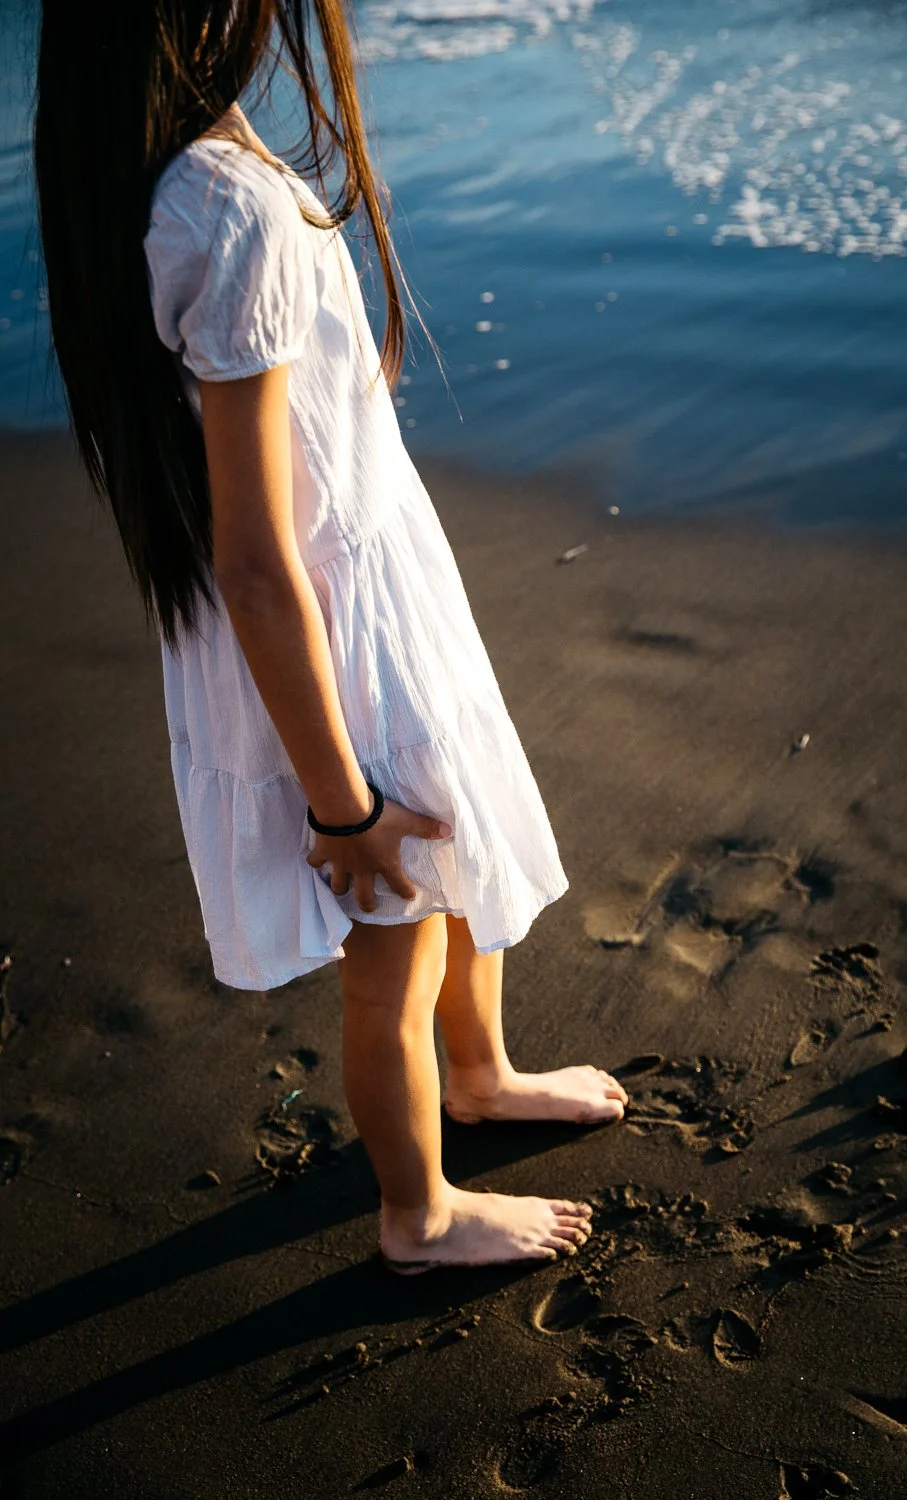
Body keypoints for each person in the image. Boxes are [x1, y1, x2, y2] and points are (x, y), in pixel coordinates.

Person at [34, 0, 628, 1272]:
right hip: (321, 625)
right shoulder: (224, 207)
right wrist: (339, 803)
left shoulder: (158, 166)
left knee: (455, 845)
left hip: (367, 585)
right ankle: (419, 1211)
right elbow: (254, 560)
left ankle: (479, 1073)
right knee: (393, 927)